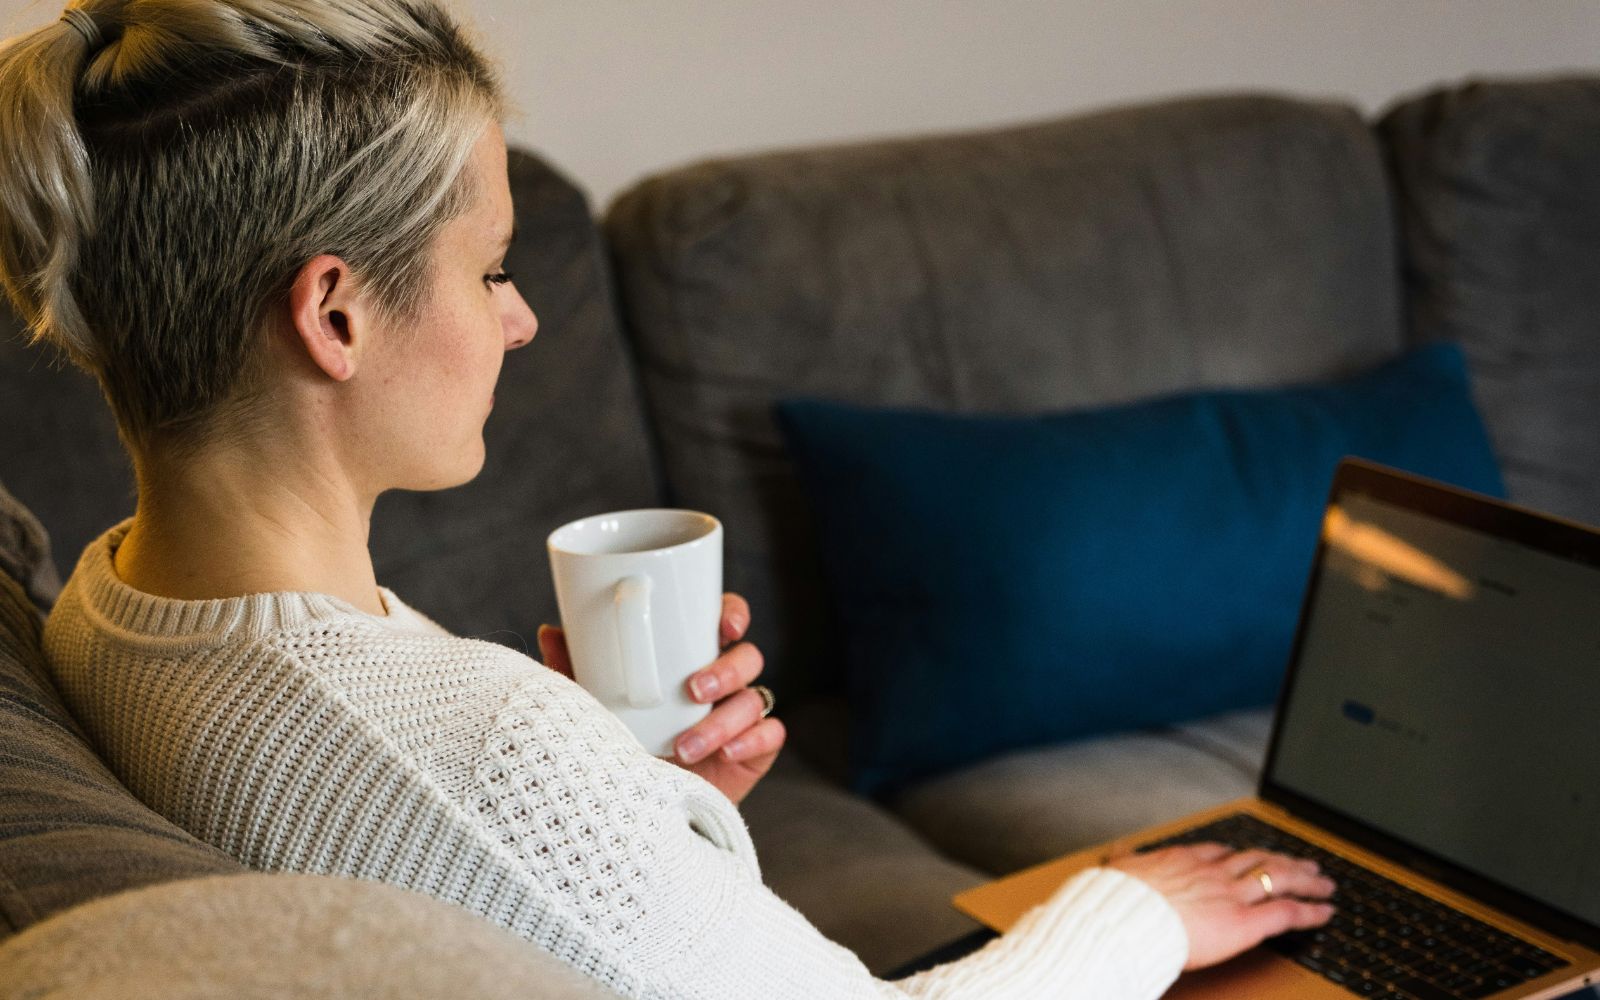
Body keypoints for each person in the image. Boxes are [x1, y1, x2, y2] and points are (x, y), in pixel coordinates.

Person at [0, 1, 1335, 996]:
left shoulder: (109, 608)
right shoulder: (485, 745)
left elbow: (474, 869)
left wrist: (637, 803)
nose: (520, 320)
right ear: (335, 314)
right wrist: (1133, 911)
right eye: (489, 269)